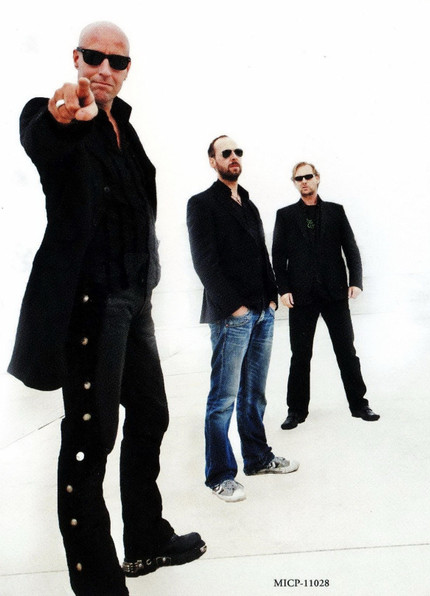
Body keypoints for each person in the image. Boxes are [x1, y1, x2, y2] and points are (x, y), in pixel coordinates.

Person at [8, 22, 205, 595]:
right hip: (91, 304)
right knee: (91, 437)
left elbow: (140, 205)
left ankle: (145, 539)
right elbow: (42, 138)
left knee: (151, 415)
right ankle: (95, 580)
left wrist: (150, 278)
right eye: (94, 57)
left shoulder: (127, 129)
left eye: (116, 62)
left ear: (127, 69)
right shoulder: (59, 114)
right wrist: (64, 115)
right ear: (76, 57)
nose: (104, 70)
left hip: (134, 301)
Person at [187, 135, 299, 503]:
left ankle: (258, 458)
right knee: (223, 399)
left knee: (254, 395)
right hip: (231, 317)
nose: (234, 157)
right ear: (212, 160)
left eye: (238, 152)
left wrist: (272, 298)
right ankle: (220, 475)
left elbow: (261, 254)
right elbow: (204, 263)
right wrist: (234, 307)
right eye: (226, 153)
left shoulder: (248, 203)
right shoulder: (202, 204)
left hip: (262, 313)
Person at [272, 162, 379, 430]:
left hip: (334, 294)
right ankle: (296, 411)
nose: (304, 181)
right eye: (298, 178)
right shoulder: (285, 216)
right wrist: (283, 289)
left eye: (308, 176)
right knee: (300, 355)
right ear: (294, 182)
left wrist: (356, 281)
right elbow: (278, 257)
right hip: (301, 297)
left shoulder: (335, 211)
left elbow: (351, 248)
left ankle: (360, 405)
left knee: (347, 351)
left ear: (317, 178)